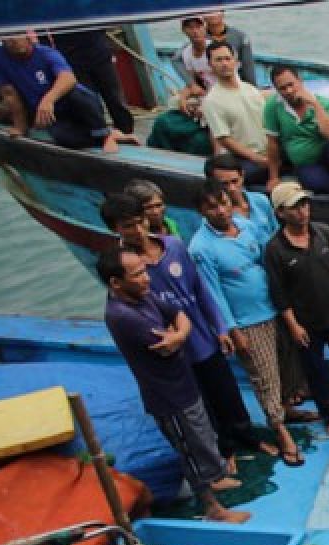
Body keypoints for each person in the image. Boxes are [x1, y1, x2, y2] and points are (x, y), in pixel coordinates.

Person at [101, 192, 278, 468]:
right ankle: (224, 450)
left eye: (140, 222)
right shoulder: (126, 268)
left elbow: (200, 289)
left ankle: (248, 437)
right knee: (200, 404)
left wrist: (221, 328)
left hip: (202, 336)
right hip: (174, 348)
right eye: (127, 226)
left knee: (226, 390)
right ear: (115, 229)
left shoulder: (174, 247)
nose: (137, 231)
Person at [97, 245, 250, 524]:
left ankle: (215, 478)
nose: (145, 278)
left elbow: (180, 317)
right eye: (137, 274)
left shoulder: (143, 296)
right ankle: (212, 508)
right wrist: (179, 337)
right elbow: (168, 348)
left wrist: (178, 335)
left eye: (144, 271)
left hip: (185, 383)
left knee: (203, 436)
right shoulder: (123, 316)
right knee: (189, 449)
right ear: (116, 283)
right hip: (168, 395)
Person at [189, 181, 304, 466]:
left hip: (275, 308)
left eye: (224, 203)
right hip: (248, 321)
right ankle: (279, 428)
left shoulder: (245, 226)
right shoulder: (201, 248)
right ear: (201, 211)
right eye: (212, 207)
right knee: (265, 377)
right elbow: (212, 293)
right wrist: (230, 329)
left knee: (288, 364)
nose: (221, 211)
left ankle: (289, 408)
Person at [264, 182, 329, 436]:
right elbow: (280, 295)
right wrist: (294, 326)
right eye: (294, 207)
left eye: (304, 204)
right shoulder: (275, 250)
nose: (302, 211)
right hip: (306, 323)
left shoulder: (325, 234)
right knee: (315, 371)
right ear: (280, 213)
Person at [0, 34, 136, 152]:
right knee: (62, 138)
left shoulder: (46, 53)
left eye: (17, 35)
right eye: (7, 37)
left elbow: (68, 78)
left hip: (69, 102)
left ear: (28, 37)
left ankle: (105, 134)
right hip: (53, 114)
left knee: (77, 93)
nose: (13, 40)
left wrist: (48, 99)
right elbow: (9, 93)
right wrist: (20, 126)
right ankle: (112, 134)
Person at [263, 65, 329, 194]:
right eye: (283, 88)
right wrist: (273, 178)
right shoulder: (272, 107)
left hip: (328, 155)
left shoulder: (323, 103)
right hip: (306, 165)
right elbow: (272, 143)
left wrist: (315, 105)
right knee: (314, 183)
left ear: (300, 80)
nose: (289, 91)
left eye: (291, 85)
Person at [201, 41, 268, 186]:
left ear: (236, 62)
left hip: (269, 150)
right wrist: (257, 159)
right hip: (245, 158)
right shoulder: (212, 100)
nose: (224, 64)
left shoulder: (250, 90)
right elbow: (224, 139)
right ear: (210, 65)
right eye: (218, 60)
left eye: (227, 58)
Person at [149, 17, 215, 157]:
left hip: (217, 99)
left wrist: (206, 104)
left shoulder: (216, 50)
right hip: (203, 97)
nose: (195, 31)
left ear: (205, 27)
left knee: (199, 139)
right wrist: (183, 98)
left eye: (198, 27)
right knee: (163, 121)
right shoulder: (187, 54)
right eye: (190, 27)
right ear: (184, 30)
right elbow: (195, 84)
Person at [49, 29, 134, 135]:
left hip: (100, 55)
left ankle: (127, 132)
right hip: (73, 60)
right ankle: (103, 135)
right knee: (91, 102)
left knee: (116, 99)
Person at [205, 152, 278, 240]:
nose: (232, 188)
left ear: (242, 176)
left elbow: (276, 231)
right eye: (224, 184)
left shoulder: (261, 200)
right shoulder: (217, 216)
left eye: (235, 181)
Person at [204, 11, 257, 86]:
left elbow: (248, 66)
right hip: (209, 84)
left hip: (236, 82)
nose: (212, 14)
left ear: (223, 13)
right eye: (208, 11)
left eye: (216, 11)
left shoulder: (240, 37)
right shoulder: (199, 38)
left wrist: (253, 88)